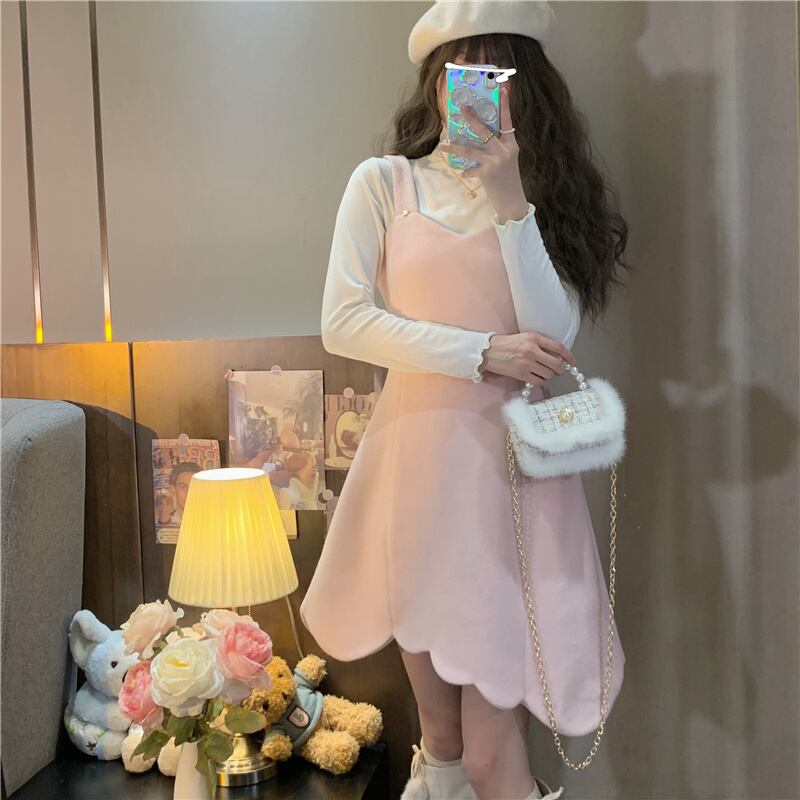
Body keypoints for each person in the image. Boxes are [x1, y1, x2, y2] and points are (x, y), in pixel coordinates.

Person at [299, 2, 634, 798]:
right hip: (414, 473)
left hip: (511, 482)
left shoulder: (541, 200)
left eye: (495, 72)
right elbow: (343, 322)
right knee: (442, 744)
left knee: (489, 756)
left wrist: (510, 198)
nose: (477, 88)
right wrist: (478, 352)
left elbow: (553, 334)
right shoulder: (384, 184)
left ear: (527, 87)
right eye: (460, 72)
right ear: (434, 84)